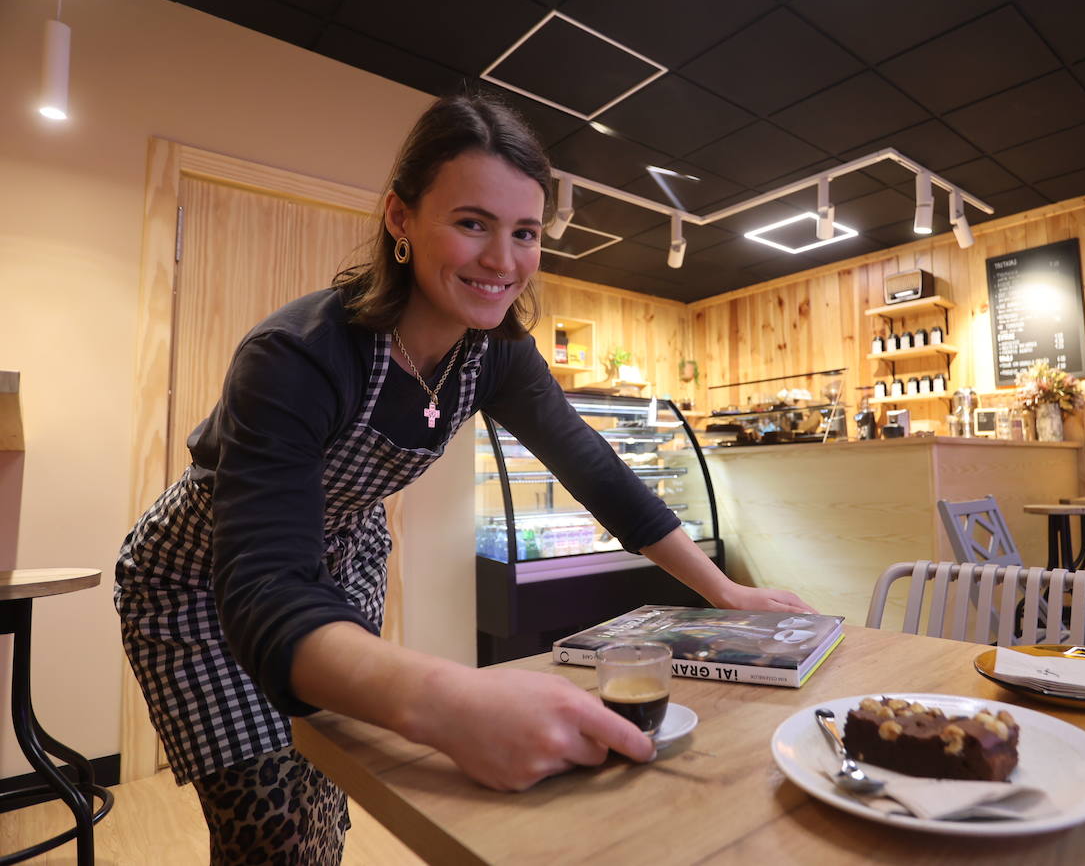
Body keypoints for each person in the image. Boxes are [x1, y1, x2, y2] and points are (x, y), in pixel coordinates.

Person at [114, 94, 813, 865]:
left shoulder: (495, 355)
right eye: (472, 223)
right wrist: (448, 699)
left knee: (323, 788)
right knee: (270, 819)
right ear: (400, 220)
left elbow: (597, 470)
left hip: (343, 561)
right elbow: (263, 588)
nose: (503, 261)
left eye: (525, 234)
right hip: (202, 582)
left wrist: (726, 592)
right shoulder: (297, 357)